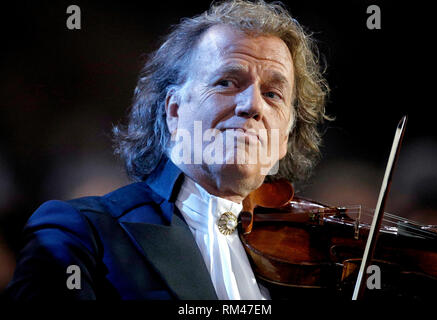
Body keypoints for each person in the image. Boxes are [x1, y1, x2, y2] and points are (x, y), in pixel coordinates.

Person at [6, 0, 329, 300]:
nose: (252, 105)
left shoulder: (316, 263)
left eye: (273, 94)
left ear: (285, 136)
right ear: (173, 110)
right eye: (226, 82)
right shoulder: (80, 232)